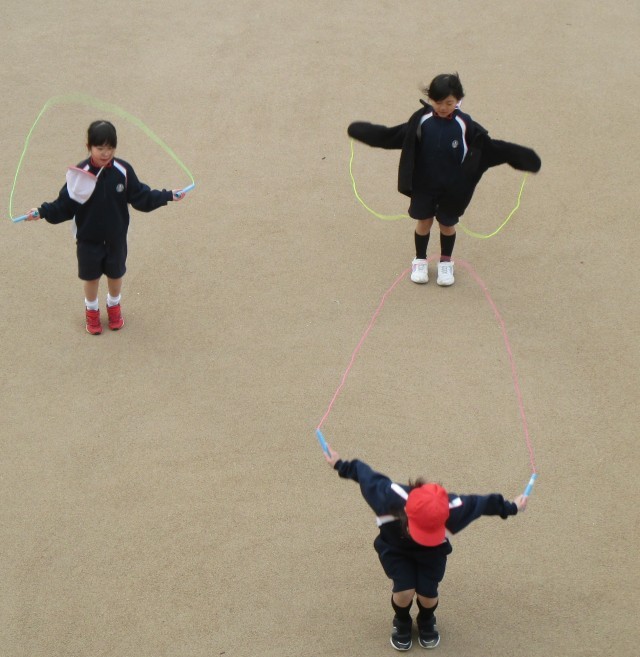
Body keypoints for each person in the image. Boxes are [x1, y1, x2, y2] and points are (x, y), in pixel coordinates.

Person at [324, 444, 528, 651]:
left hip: (433, 552)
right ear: (407, 514)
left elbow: (483, 504)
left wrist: (512, 506)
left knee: (428, 594)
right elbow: (363, 473)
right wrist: (339, 464)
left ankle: (426, 618)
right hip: (395, 548)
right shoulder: (387, 498)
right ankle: (402, 620)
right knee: (405, 590)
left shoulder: (455, 511)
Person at [347, 73, 541, 286]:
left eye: (449, 103)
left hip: (453, 188)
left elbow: (489, 148)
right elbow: (394, 136)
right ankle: (420, 259)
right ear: (430, 99)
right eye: (438, 102)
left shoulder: (464, 124)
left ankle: (446, 262)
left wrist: (521, 157)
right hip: (424, 185)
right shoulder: (422, 120)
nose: (443, 107)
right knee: (424, 221)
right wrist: (365, 133)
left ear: (458, 100)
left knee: (447, 224)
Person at [24, 120, 185, 334]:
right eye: (100, 148)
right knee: (90, 278)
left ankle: (113, 305)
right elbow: (64, 205)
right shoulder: (80, 175)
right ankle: (92, 310)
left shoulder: (123, 171)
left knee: (115, 274)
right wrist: (42, 212)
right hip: (88, 239)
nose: (105, 153)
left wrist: (168, 195)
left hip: (116, 238)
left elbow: (141, 196)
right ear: (89, 146)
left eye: (110, 148)